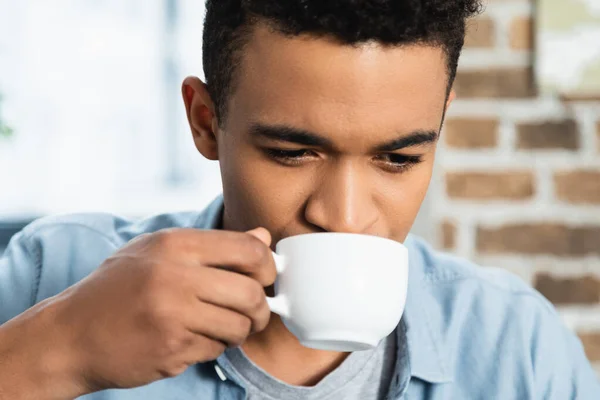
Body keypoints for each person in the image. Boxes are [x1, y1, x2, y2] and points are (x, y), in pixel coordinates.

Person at [1, 0, 599, 399]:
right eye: (292, 152)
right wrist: (61, 348)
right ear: (205, 122)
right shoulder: (51, 277)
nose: (343, 217)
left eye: (399, 159)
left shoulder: (515, 347)